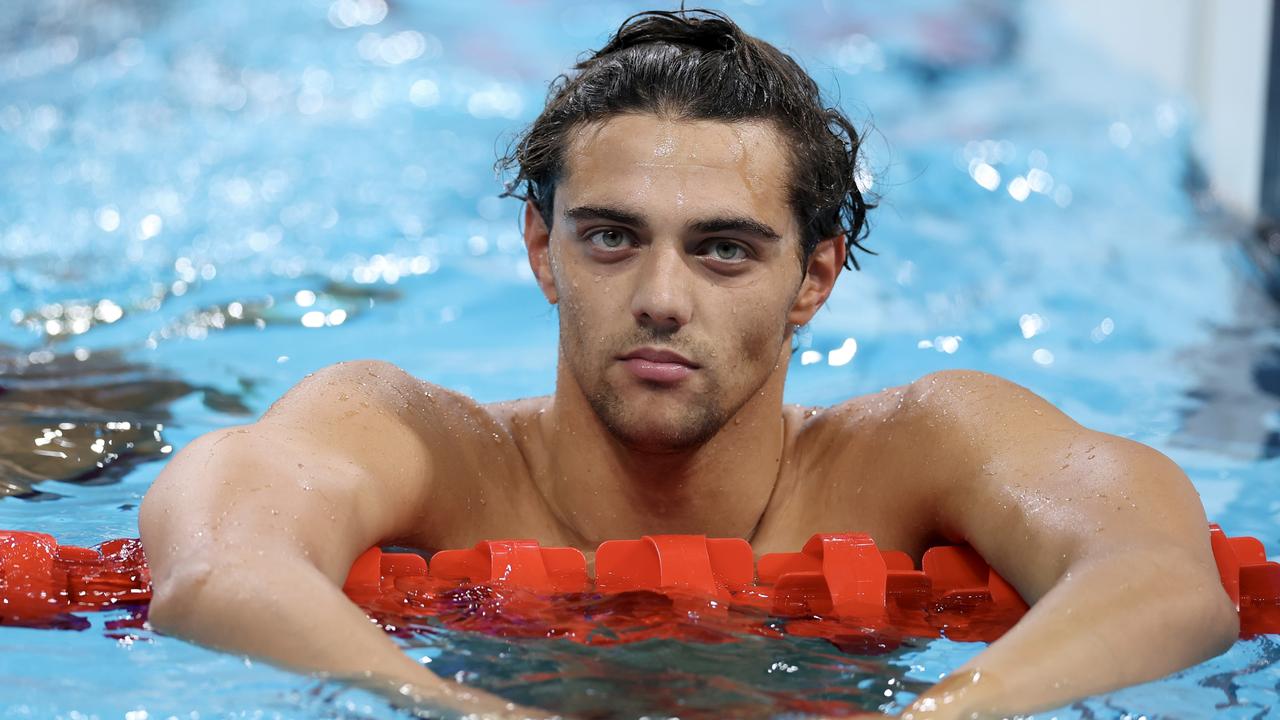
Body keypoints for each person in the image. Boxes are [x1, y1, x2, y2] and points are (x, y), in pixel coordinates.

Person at [139, 9, 1238, 719]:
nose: (659, 299)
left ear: (813, 278)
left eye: (722, 250)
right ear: (542, 249)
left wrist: (938, 716)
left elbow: (1160, 580)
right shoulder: (423, 443)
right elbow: (215, 572)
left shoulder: (919, 449)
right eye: (610, 237)